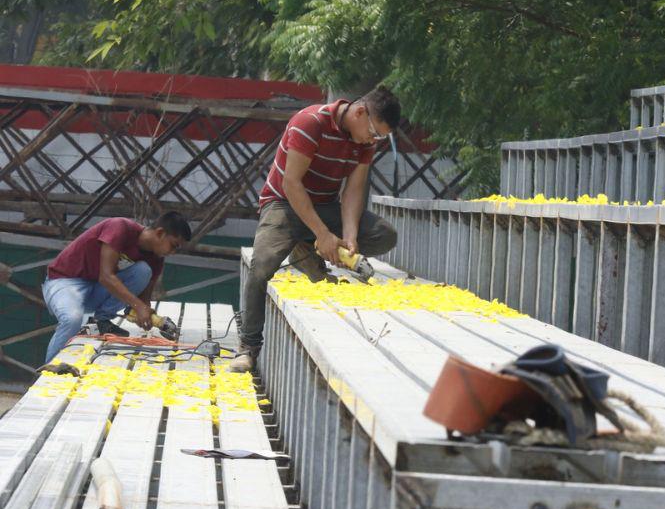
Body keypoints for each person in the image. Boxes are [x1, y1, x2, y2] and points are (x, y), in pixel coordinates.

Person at [229, 86, 401, 372]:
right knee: (262, 266)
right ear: (360, 112)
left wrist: (349, 236)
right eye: (374, 133)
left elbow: (353, 191)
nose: (374, 140)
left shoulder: (364, 143)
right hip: (283, 203)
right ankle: (248, 347)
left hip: (324, 205)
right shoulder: (310, 123)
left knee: (384, 234)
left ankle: (305, 239)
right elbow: (291, 184)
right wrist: (322, 234)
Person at [41, 212, 191, 363]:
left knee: (143, 270)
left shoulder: (156, 259)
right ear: (160, 233)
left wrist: (147, 317)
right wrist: (138, 306)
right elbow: (106, 277)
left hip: (95, 289)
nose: (173, 252)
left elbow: (143, 300)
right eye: (173, 245)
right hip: (65, 281)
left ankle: (102, 320)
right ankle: (48, 369)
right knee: (73, 318)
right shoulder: (120, 227)